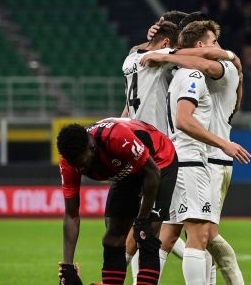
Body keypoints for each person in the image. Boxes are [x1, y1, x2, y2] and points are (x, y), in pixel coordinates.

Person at [141, 20, 246, 284]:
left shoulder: (221, 69)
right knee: (195, 234)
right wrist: (155, 43)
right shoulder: (188, 74)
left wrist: (162, 54)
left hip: (211, 158)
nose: (219, 48)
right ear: (200, 45)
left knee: (195, 234)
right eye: (214, 42)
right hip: (202, 158)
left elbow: (206, 61)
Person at [56, 118, 178, 285]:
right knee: (112, 239)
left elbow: (152, 172)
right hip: (126, 170)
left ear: (92, 148)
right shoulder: (69, 163)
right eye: (74, 165)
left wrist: (141, 220)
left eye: (82, 164)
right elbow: (71, 215)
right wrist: (68, 267)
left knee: (146, 235)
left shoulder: (116, 137)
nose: (79, 170)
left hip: (158, 161)